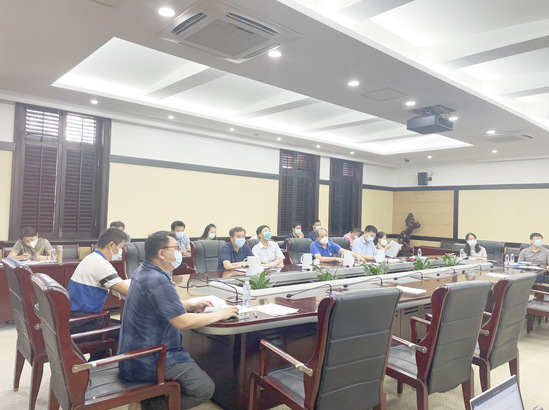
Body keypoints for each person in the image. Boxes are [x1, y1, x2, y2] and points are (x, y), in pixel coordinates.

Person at [118, 231, 239, 410]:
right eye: (175, 248)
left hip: (136, 352)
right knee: (204, 389)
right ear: (162, 253)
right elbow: (182, 322)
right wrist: (221, 314)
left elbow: (159, 302)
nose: (180, 252)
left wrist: (188, 305)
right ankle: (147, 405)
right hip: (150, 358)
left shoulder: (144, 270)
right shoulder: (156, 279)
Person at [67, 227, 129, 359]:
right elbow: (130, 291)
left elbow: (113, 283)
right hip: (81, 322)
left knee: (116, 325)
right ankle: (112, 364)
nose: (121, 252)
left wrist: (115, 287)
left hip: (74, 318)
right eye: (121, 247)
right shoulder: (101, 264)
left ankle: (99, 361)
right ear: (111, 245)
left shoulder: (91, 258)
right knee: (128, 330)